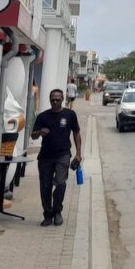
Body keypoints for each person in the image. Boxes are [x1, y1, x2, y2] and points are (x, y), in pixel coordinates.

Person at [30, 89, 82, 227]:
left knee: (60, 183)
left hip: (63, 155)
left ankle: (57, 211)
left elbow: (76, 133)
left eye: (58, 99)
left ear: (63, 99)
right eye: (53, 99)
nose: (55, 102)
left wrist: (78, 153)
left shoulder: (70, 115)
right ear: (49, 99)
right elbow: (32, 135)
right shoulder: (42, 116)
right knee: (45, 186)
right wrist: (40, 132)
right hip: (45, 157)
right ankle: (47, 214)